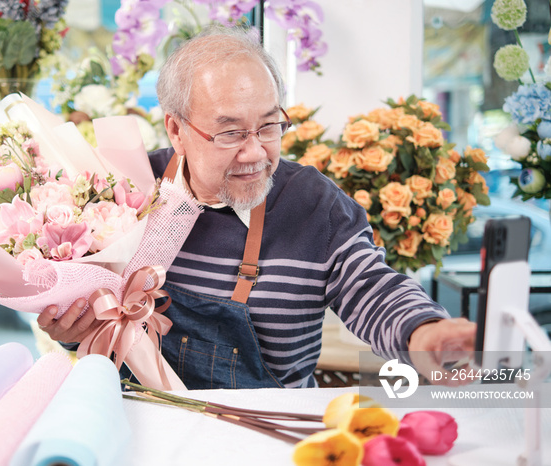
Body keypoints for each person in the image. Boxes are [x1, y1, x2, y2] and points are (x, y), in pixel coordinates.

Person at [37, 26, 476, 389]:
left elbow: (370, 288)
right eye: (229, 133)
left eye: (269, 126)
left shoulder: (313, 204)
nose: (255, 153)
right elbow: (93, 311)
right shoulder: (125, 190)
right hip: (137, 427)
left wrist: (425, 333)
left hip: (264, 437)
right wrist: (74, 330)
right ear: (176, 129)